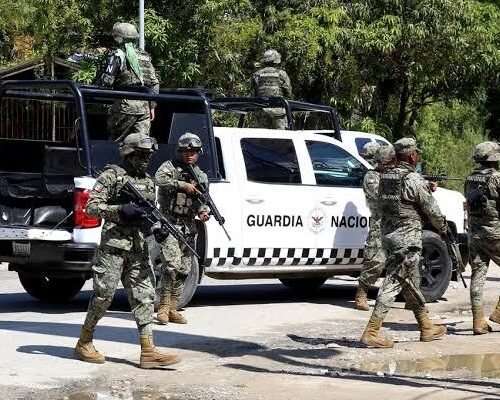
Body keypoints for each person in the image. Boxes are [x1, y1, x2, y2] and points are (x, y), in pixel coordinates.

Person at [74, 133, 181, 369]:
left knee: (144, 297)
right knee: (103, 297)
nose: (145, 160)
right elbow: (91, 207)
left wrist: (156, 229)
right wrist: (120, 210)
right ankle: (84, 342)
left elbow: (145, 215)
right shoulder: (111, 175)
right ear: (128, 153)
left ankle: (148, 351)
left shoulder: (149, 181)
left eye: (148, 156)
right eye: (140, 155)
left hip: (138, 249)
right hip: (113, 249)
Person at [360, 137, 448, 348]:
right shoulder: (413, 179)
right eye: (416, 153)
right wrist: (443, 229)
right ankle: (371, 332)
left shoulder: (385, 177)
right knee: (394, 281)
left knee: (408, 281)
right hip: (407, 238)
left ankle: (426, 327)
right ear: (411, 155)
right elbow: (432, 210)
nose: (417, 156)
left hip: (388, 235)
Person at [155, 133, 210, 325]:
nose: (189, 155)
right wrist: (182, 185)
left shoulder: (201, 176)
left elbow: (202, 201)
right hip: (169, 222)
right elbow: (159, 180)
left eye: (193, 151)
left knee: (184, 269)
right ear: (180, 151)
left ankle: (173, 307)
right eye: (185, 151)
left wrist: (204, 211)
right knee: (170, 265)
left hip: (188, 226)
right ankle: (162, 307)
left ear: (198, 153)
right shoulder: (169, 167)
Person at [96, 22, 160, 141]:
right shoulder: (145, 56)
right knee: (142, 145)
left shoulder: (117, 54)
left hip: (124, 106)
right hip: (144, 107)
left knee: (116, 143)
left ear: (118, 38)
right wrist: (152, 106)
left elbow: (106, 81)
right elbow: (154, 83)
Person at [465, 141, 500, 334]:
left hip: (475, 235)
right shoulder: (497, 178)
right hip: (495, 234)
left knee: (478, 276)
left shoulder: (470, 178)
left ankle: (478, 321)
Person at [354, 145, 395, 311]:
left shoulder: (391, 176)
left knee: (405, 261)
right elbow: (381, 197)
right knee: (375, 260)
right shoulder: (372, 176)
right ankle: (361, 294)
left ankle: (411, 299)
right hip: (380, 223)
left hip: (395, 223)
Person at [251, 49, 292, 130]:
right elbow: (288, 93)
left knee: (261, 139)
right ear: (276, 61)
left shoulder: (256, 75)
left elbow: (253, 94)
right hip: (278, 113)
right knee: (282, 139)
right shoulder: (282, 74)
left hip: (261, 113)